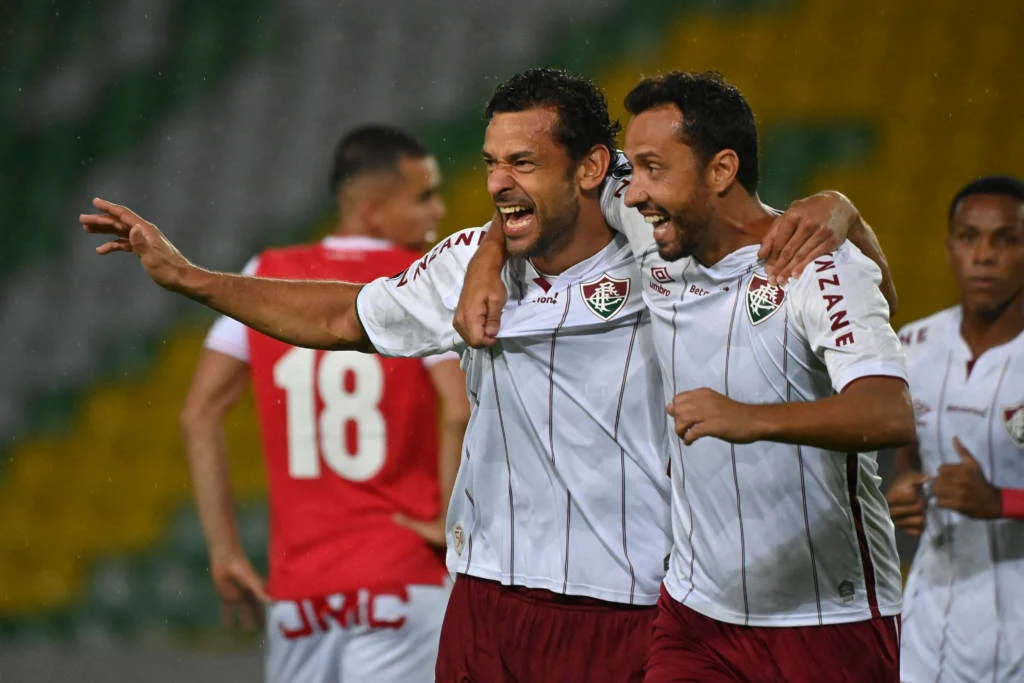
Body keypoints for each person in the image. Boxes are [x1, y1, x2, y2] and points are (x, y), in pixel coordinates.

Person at [82, 68, 873, 682]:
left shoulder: (659, 249)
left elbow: (729, 205)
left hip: (624, 608)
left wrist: (838, 204)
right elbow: (340, 316)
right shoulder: (466, 263)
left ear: (595, 167)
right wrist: (193, 279)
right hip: (485, 600)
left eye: (525, 162)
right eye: (493, 162)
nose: (499, 181)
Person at [456, 71, 910, 683]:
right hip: (694, 616)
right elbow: (536, 187)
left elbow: (888, 413)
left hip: (828, 615)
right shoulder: (658, 236)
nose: (633, 193)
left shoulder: (815, 266)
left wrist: (750, 420)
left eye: (651, 169)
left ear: (721, 171)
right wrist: (489, 257)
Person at [178, 124, 469, 683]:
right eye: (424, 196)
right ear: (372, 210)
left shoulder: (265, 275)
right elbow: (458, 409)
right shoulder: (414, 282)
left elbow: (200, 412)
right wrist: (447, 519)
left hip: (302, 591)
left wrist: (225, 548)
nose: (440, 208)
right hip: (399, 574)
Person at [887, 175, 1024, 682]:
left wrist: (1002, 502)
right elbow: (907, 465)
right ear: (950, 247)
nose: (983, 255)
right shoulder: (913, 345)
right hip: (929, 623)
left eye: (1005, 240)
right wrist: (901, 493)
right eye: (969, 237)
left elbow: (997, 500)